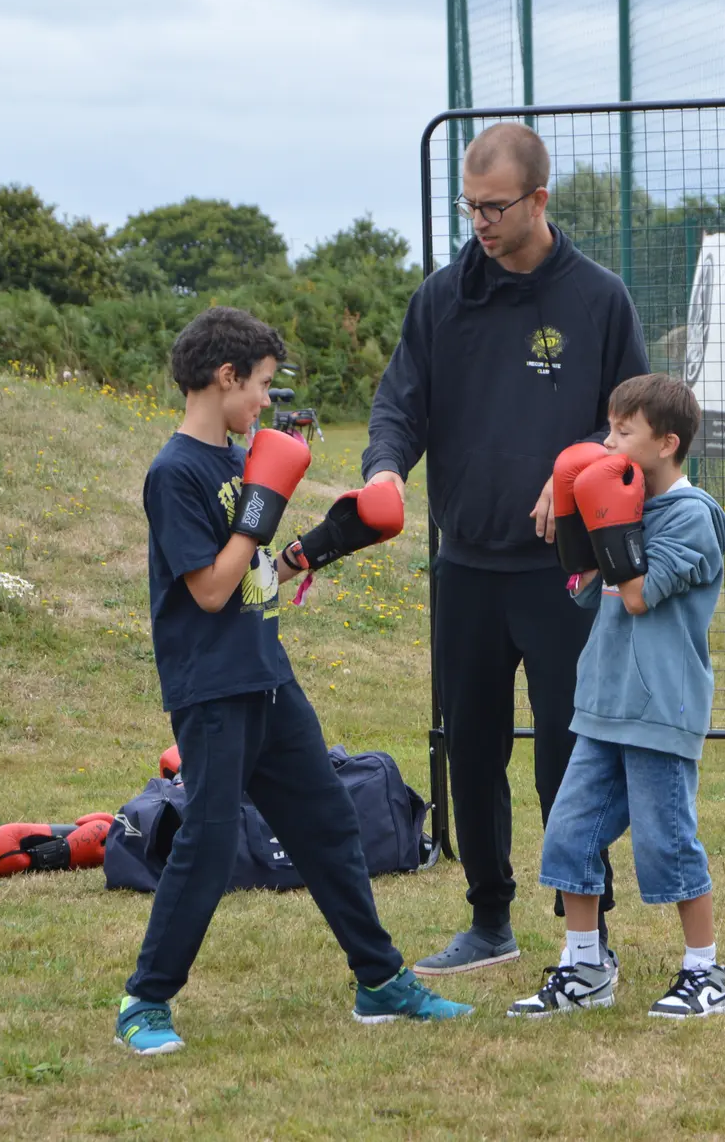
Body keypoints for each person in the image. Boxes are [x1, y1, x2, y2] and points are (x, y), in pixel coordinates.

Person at [116, 306, 470, 1055]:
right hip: (212, 690)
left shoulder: (232, 465)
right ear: (226, 377)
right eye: (263, 387)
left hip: (267, 677)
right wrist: (257, 511)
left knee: (330, 825)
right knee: (208, 845)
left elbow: (250, 582)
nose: (265, 404)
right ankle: (144, 1003)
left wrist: (325, 543)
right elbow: (208, 592)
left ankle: (379, 980)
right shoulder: (176, 472)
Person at [364, 122, 650, 975]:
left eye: (495, 207)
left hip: (567, 575)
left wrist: (582, 466)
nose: (480, 223)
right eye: (470, 206)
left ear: (539, 200)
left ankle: (584, 935)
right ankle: (490, 920)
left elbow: (634, 427)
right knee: (471, 744)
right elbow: (397, 407)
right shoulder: (443, 298)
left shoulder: (599, 299)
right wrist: (384, 473)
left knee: (569, 755)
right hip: (467, 567)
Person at [508, 373, 725, 1019]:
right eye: (609, 428)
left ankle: (705, 973)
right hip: (604, 702)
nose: (607, 443)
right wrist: (580, 525)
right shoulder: (628, 502)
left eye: (622, 431)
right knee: (568, 837)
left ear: (666, 444)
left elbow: (637, 595)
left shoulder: (692, 518)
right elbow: (588, 589)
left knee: (667, 845)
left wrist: (610, 519)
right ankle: (586, 968)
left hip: (660, 708)